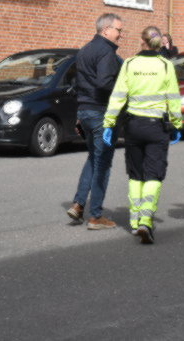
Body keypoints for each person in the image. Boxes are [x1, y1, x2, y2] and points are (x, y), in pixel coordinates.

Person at [103, 26, 182, 244]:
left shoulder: (129, 64)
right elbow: (173, 99)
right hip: (156, 128)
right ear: (158, 43)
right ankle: (146, 219)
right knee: (153, 174)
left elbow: (118, 96)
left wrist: (109, 124)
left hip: (133, 126)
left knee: (136, 173)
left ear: (142, 41)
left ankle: (135, 220)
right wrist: (176, 125)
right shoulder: (166, 66)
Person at [67, 13, 123, 229]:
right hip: (101, 114)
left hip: (85, 112)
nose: (120, 35)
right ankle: (96, 215)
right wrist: (121, 94)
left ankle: (79, 204)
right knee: (103, 164)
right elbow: (103, 83)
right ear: (105, 30)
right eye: (119, 30)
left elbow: (78, 83)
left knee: (93, 158)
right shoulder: (106, 52)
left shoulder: (84, 50)